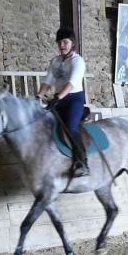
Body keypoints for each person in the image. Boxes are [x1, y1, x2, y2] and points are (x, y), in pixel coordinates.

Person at [38, 26, 89, 178]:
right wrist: (38, 96)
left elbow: (72, 83)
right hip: (58, 100)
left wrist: (57, 98)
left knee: (71, 127)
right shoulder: (55, 61)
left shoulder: (78, 61)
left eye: (65, 42)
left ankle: (82, 162)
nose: (62, 45)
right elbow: (47, 81)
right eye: (59, 42)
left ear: (72, 43)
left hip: (73, 99)